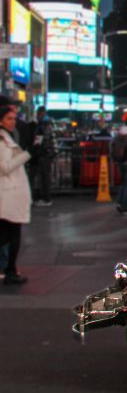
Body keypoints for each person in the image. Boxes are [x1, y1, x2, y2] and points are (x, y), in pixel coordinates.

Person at [0, 105, 32, 284]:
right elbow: (4, 167)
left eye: (14, 118)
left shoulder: (7, 138)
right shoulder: (2, 141)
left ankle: (11, 269)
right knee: (11, 236)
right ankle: (10, 270)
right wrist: (26, 155)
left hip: (10, 193)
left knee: (8, 235)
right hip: (8, 193)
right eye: (9, 118)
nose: (13, 122)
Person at [29, 107, 56, 207]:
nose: (38, 116)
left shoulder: (42, 126)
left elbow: (38, 141)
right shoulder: (49, 123)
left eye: (39, 114)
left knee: (44, 177)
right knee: (45, 177)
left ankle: (46, 199)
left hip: (44, 154)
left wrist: (34, 151)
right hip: (49, 153)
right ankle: (46, 198)